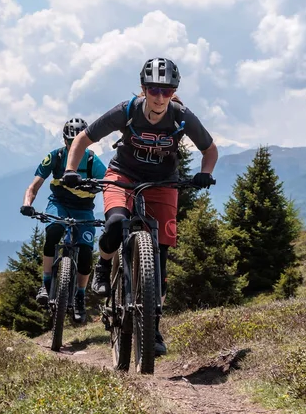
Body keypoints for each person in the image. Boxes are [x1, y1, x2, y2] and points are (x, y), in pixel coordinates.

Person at [60, 57, 218, 355]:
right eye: (153, 89)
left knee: (160, 257)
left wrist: (205, 174)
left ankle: (153, 328)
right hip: (123, 175)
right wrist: (71, 168)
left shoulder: (182, 116)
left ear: (174, 91)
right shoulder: (128, 110)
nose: (159, 97)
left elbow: (209, 149)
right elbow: (83, 138)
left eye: (167, 91)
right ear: (143, 89)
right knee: (116, 223)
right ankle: (104, 266)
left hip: (164, 182)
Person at [20, 117, 107, 324]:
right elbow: (33, 186)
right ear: (64, 140)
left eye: (77, 140)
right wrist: (27, 204)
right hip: (58, 204)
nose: (72, 145)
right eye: (69, 141)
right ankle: (46, 283)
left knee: (86, 251)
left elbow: (109, 185)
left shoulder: (92, 161)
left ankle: (79, 296)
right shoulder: (55, 157)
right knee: (53, 232)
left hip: (84, 210)